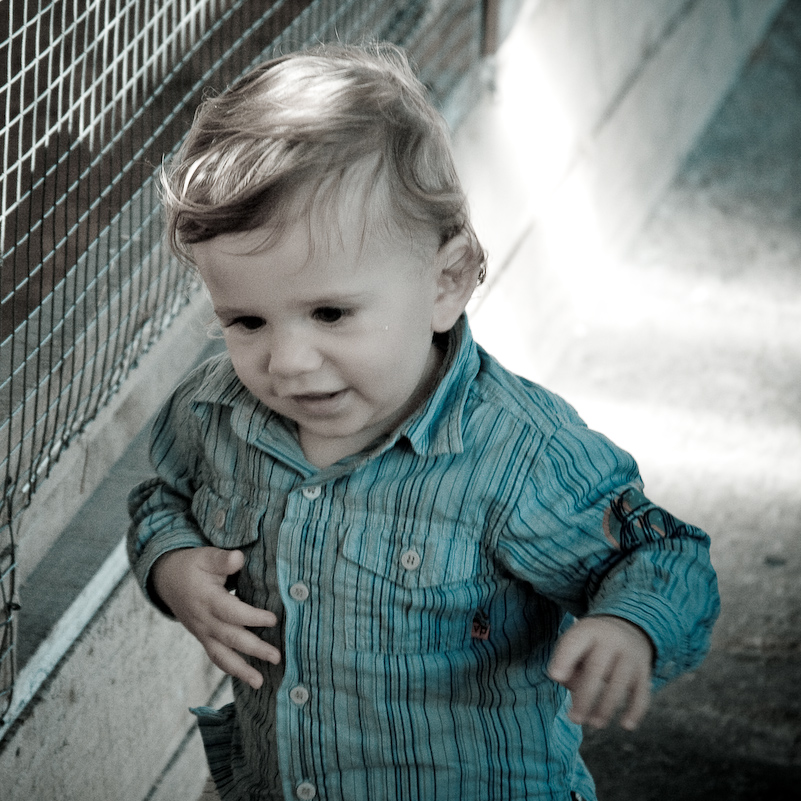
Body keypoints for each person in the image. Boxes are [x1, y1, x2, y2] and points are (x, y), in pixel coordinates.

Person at [127, 43, 720, 801]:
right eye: (245, 320)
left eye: (330, 312)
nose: (288, 361)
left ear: (444, 283)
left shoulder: (513, 453)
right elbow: (162, 496)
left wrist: (630, 624)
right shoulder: (216, 412)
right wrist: (172, 565)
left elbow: (663, 552)